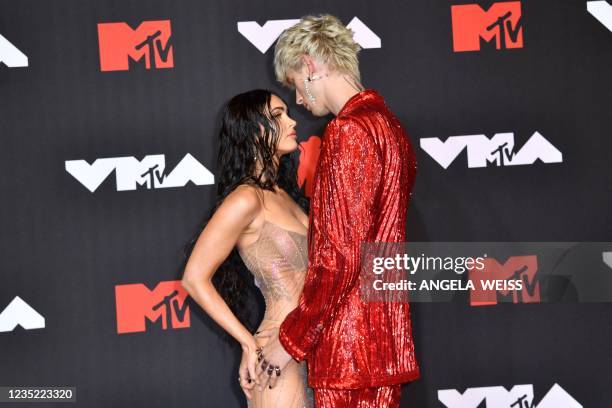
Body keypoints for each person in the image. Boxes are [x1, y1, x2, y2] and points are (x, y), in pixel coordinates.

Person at [247, 15, 420, 407]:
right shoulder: (391, 128)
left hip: (349, 350)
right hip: (382, 346)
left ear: (309, 65)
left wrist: (290, 341)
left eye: (293, 84)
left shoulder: (349, 131)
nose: (298, 101)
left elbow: (340, 256)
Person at [182, 89, 314, 407]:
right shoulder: (245, 198)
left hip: (315, 349)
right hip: (279, 358)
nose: (292, 121)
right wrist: (248, 344)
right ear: (254, 129)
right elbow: (194, 277)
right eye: (278, 115)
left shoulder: (284, 193)